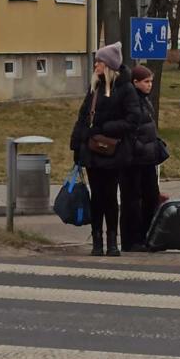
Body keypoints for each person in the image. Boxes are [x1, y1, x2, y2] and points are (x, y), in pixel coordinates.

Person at [70, 42, 140, 257]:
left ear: (109, 65)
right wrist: (77, 144)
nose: (96, 65)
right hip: (92, 151)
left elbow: (133, 119)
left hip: (113, 152)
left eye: (99, 61)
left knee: (110, 196)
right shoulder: (95, 87)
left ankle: (111, 240)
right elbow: (83, 117)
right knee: (96, 196)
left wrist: (106, 128)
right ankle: (97, 239)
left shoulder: (125, 89)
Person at [119, 64, 167, 251]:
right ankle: (131, 240)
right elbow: (130, 128)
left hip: (147, 157)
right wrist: (139, 146)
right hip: (133, 158)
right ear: (135, 82)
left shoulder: (145, 100)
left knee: (151, 197)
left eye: (151, 82)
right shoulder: (130, 100)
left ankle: (147, 235)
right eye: (146, 82)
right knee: (132, 199)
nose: (149, 85)